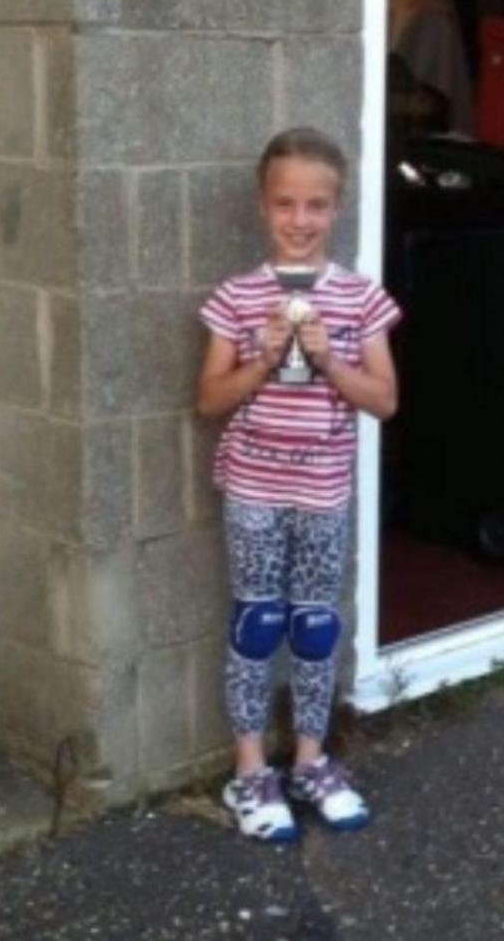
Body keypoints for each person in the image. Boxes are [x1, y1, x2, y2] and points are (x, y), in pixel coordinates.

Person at [196, 127, 403, 842]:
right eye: (286, 204)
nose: (300, 220)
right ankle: (250, 768)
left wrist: (328, 360)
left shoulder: (359, 298)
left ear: (336, 209)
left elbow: (383, 400)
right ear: (263, 206)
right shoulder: (236, 296)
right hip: (254, 485)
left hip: (323, 488)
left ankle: (311, 759)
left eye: (316, 205)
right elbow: (209, 400)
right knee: (257, 621)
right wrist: (263, 358)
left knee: (315, 625)